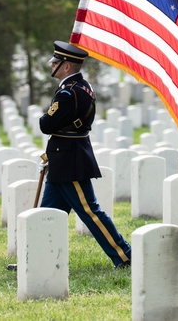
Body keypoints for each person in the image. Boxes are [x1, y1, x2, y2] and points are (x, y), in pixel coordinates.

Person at [37, 40, 132, 269]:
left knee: (90, 212)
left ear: (66, 66)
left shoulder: (69, 94)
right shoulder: (83, 86)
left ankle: (125, 255)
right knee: (47, 214)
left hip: (70, 161)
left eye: (56, 62)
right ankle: (37, 259)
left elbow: (46, 124)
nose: (52, 66)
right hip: (64, 158)